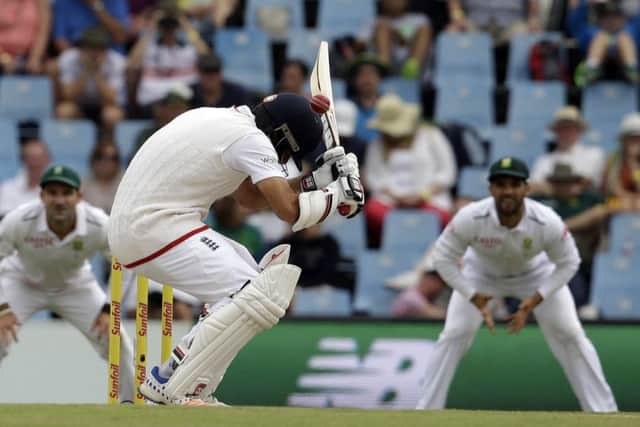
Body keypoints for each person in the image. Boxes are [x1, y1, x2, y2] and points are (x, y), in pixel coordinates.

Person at [108, 92, 363, 405]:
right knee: (257, 292)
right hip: (152, 227)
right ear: (281, 134)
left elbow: (251, 198)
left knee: (251, 283)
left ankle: (192, 387)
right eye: (286, 153)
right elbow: (289, 211)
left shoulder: (222, 121)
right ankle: (170, 384)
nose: (283, 161)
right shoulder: (250, 138)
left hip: (144, 224)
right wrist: (339, 193)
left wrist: (319, 180)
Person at [415, 156, 617, 412]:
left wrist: (535, 300)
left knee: (571, 334)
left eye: (515, 184)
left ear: (527, 188)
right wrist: (472, 295)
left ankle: (604, 413)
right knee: (454, 333)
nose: (508, 191)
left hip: (535, 274)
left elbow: (570, 262)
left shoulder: (546, 220)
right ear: (491, 189)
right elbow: (441, 257)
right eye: (501, 184)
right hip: (481, 275)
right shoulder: (471, 216)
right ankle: (426, 411)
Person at [0, 165, 135, 402]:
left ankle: (130, 404)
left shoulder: (99, 224)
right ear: (41, 196)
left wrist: (108, 308)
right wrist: (2, 307)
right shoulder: (19, 220)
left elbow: (123, 263)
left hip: (75, 286)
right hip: (21, 283)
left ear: (79, 196)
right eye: (53, 193)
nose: (60, 200)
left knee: (118, 339)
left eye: (66, 193)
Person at [364, 94, 456, 243]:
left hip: (429, 199)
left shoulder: (432, 135)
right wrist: (397, 197)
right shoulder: (377, 144)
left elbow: (447, 172)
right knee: (372, 211)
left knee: (442, 217)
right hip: (391, 202)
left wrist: (423, 195)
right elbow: (373, 179)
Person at [530, 163, 606, 309]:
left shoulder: (587, 200)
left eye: (568, 182)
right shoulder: (539, 200)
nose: (564, 186)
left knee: (575, 294)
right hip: (541, 258)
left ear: (576, 183)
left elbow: (605, 209)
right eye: (558, 182)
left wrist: (564, 226)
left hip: (575, 259)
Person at [128, 2, 209, 113]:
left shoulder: (189, 48)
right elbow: (132, 63)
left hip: (184, 103)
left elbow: (207, 58)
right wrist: (152, 27)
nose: (169, 29)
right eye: (165, 25)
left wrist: (184, 23)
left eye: (173, 25)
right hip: (153, 103)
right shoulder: (149, 47)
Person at [55, 27, 126, 133]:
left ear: (105, 50)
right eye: (90, 48)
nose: (94, 53)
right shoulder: (68, 59)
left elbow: (112, 98)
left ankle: (108, 146)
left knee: (112, 115)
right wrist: (86, 71)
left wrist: (96, 72)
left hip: (104, 105)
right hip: (78, 105)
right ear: (82, 48)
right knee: (64, 111)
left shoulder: (117, 61)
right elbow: (68, 96)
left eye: (98, 48)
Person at [530, 106, 605, 194]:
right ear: (555, 131)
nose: (566, 132)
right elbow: (533, 186)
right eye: (562, 128)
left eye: (570, 128)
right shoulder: (543, 160)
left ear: (579, 130)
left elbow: (590, 184)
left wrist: (549, 188)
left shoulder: (594, 154)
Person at [569, 0, 640, 87]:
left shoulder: (632, 31)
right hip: (596, 71)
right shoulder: (591, 33)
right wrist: (586, 3)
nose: (611, 21)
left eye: (616, 16)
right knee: (601, 38)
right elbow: (575, 23)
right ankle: (591, 68)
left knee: (624, 38)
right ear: (599, 19)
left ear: (624, 18)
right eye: (606, 16)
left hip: (627, 70)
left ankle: (632, 69)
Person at [372, 0, 432, 79]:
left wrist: (396, 35)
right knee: (382, 28)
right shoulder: (374, 21)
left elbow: (420, 40)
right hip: (384, 64)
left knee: (424, 31)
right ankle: (384, 69)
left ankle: (412, 68)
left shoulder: (420, 19)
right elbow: (362, 43)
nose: (393, 2)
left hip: (415, 67)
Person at [52, 0, 129, 53]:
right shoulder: (62, 2)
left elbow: (121, 37)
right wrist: (78, 61)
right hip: (77, 56)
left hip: (109, 55)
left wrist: (96, 5)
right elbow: (60, 40)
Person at [0, 139, 50, 219]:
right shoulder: (7, 189)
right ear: (22, 160)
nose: (36, 163)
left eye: (39, 158)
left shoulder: (58, 189)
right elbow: (5, 220)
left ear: (48, 159)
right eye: (32, 158)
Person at [0, 0, 51, 75]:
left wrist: (34, 58)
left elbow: (43, 31)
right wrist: (4, 58)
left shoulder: (41, 3)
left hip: (29, 56)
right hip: (3, 55)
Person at [603, 112, 640, 208]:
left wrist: (633, 164)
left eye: (637, 138)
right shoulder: (614, 158)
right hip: (620, 204)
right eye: (631, 138)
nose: (635, 141)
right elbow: (612, 188)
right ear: (623, 140)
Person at [81, 142, 124, 214]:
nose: (106, 162)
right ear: (92, 160)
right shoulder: (82, 186)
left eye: (113, 158)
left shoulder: (127, 185)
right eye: (100, 156)